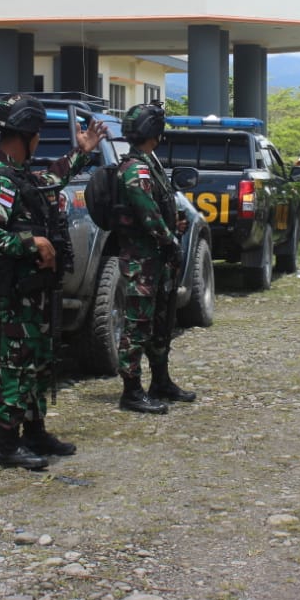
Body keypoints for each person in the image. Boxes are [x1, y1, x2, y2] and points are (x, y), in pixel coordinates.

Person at [0, 93, 107, 469]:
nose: (37, 141)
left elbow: (51, 178)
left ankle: (34, 431)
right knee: (16, 363)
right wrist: (32, 241)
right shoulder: (0, 181)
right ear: (27, 135)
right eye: (36, 134)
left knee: (39, 360)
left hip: (37, 290)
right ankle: (7, 444)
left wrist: (80, 152)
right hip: (19, 290)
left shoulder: (22, 177)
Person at [112, 101, 196, 414]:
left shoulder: (149, 162)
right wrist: (170, 237)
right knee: (137, 325)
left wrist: (174, 225)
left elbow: (158, 207)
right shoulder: (136, 168)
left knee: (161, 321)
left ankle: (160, 381)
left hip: (156, 259)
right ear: (154, 132)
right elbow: (147, 215)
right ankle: (131, 392)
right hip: (142, 260)